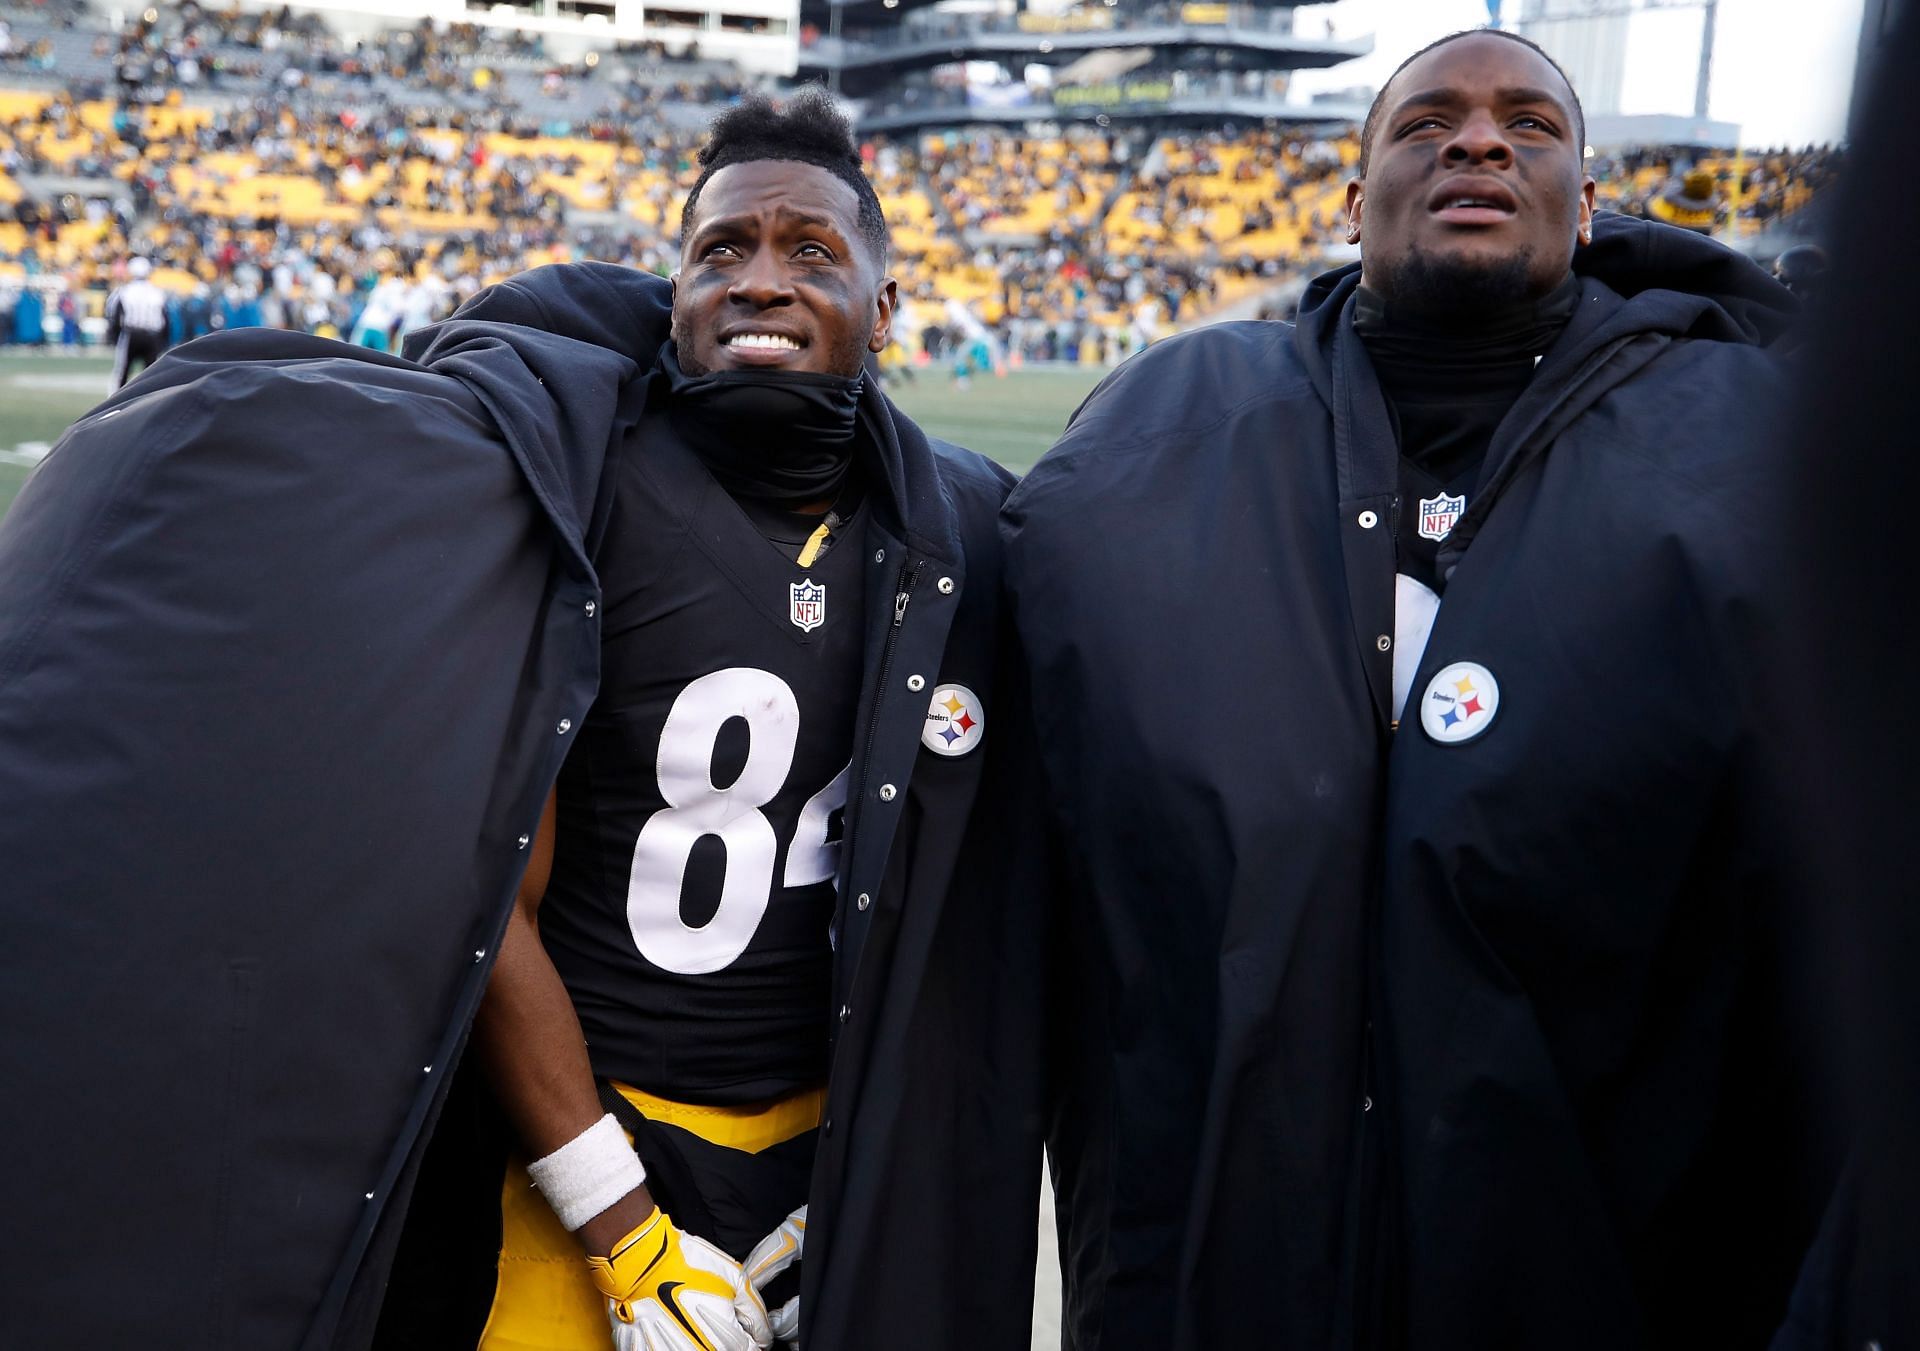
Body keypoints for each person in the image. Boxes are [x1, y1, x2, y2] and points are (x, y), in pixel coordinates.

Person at [1003, 28, 1813, 1350]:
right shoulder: (1161, 433)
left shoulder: (1740, 444)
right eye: (1426, 122)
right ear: (1350, 198)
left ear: (1591, 206)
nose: (1479, 140)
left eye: (1530, 126)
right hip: (1228, 1257)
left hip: (1603, 1258)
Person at [375, 90, 1043, 1351]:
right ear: (669, 296)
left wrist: (863, 1181)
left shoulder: (962, 531)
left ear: (885, 311)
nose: (760, 282)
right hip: (576, 1130)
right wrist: (618, 1223)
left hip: (817, 1167)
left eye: (811, 253)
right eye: (720, 251)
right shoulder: (589, 492)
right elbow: (479, 902)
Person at [105, 256, 170, 386]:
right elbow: (165, 318)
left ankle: (116, 402)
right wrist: (163, 341)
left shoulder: (124, 291)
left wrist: (114, 337)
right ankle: (151, 402)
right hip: (152, 336)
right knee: (151, 374)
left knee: (122, 372)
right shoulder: (157, 292)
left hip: (132, 335)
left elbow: (116, 316)